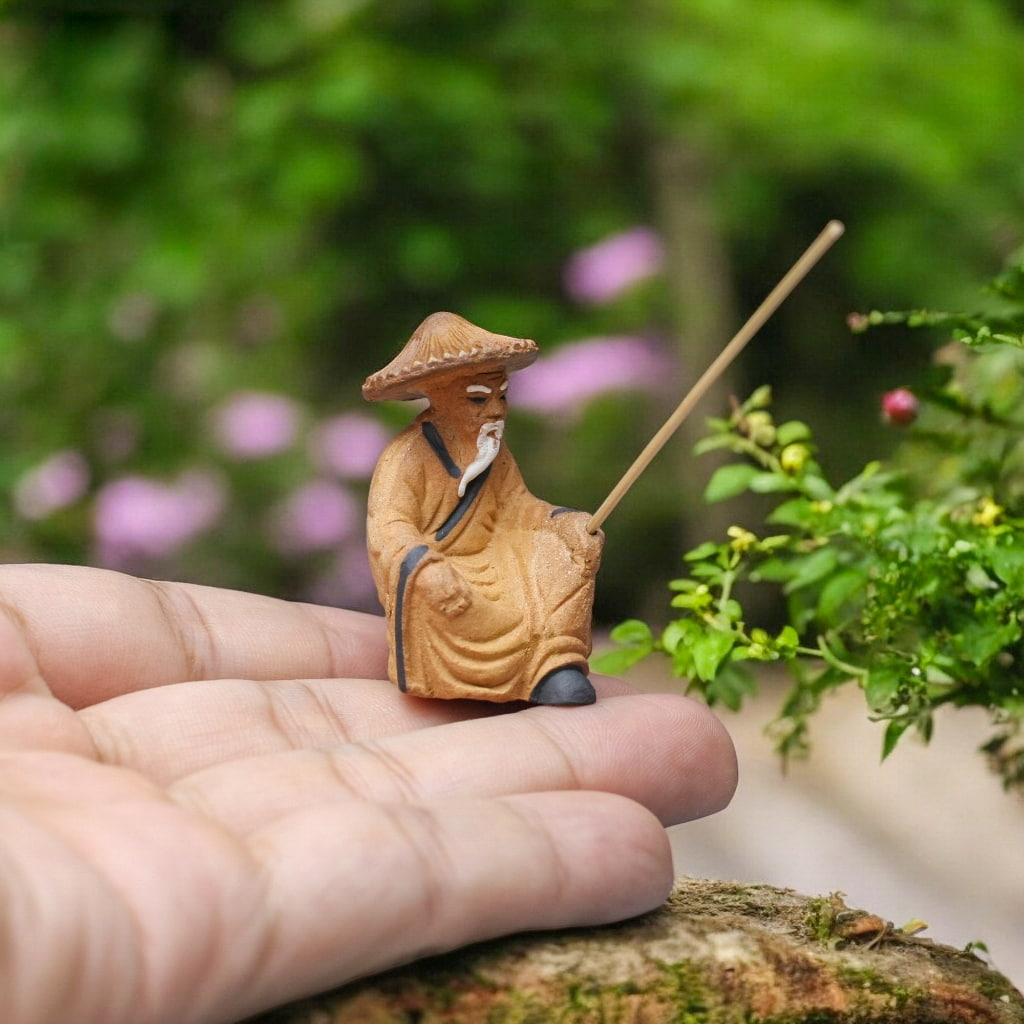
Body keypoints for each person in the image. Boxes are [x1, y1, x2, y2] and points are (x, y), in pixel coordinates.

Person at [0, 562, 737, 1024]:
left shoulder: (491, 457)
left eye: (494, 390)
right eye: (473, 390)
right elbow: (399, 537)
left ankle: (534, 666)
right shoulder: (414, 462)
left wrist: (554, 536)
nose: (487, 403)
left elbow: (517, 520)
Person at [364, 312, 605, 706]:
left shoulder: (493, 449)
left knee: (566, 556)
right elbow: (389, 527)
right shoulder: (406, 456)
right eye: (478, 398)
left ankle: (554, 664)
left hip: (498, 553)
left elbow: (517, 505)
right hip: (443, 566)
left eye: (502, 396)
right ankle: (471, 675)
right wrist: (427, 567)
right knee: (457, 597)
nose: (496, 410)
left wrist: (565, 523)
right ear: (439, 397)